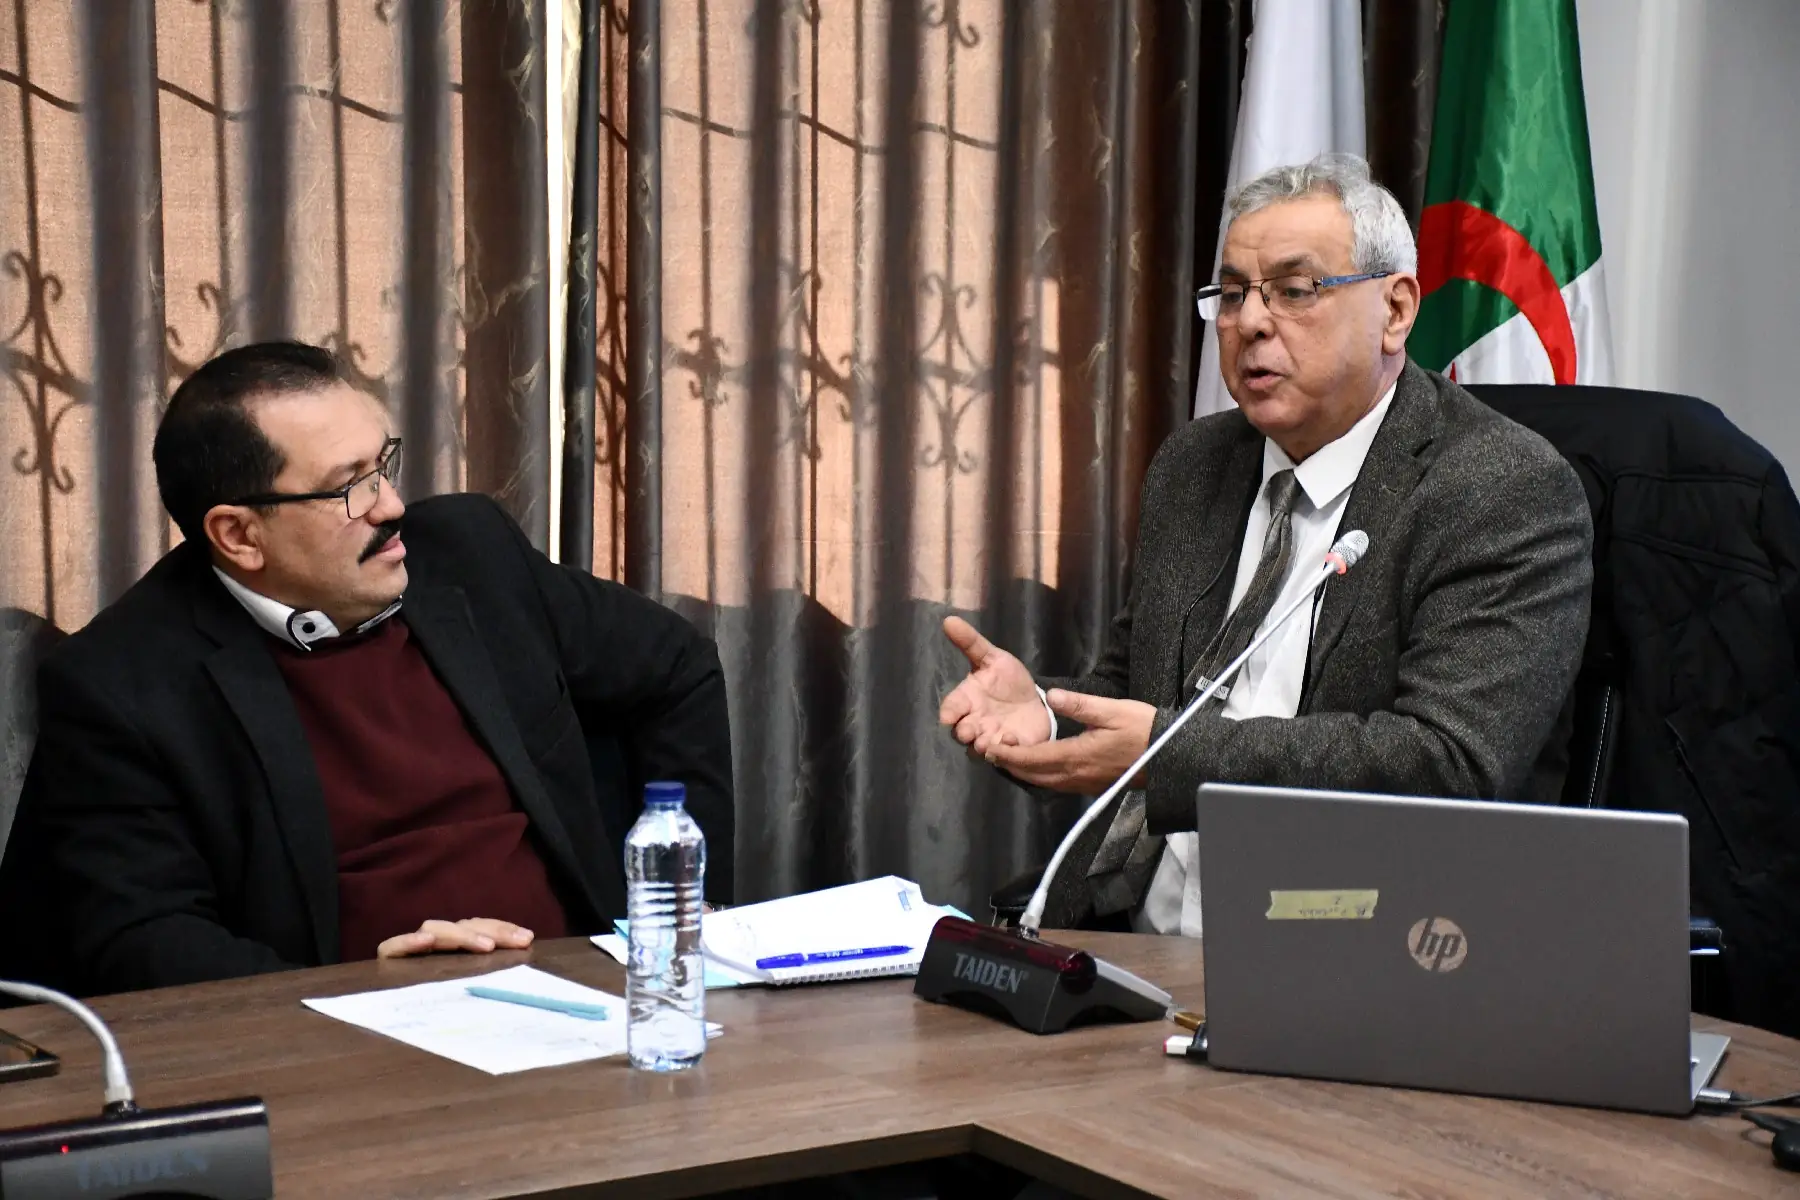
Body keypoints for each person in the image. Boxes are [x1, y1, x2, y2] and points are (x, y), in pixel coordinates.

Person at [939, 154, 1594, 933]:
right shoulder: (1195, 465)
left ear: (1395, 310)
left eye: (1294, 289)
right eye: (1232, 294)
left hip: (1345, 945)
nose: (1250, 321)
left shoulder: (1498, 488)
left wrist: (1171, 755)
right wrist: (1045, 716)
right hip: (1127, 936)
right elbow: (1138, 693)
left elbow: (1448, 765)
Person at [0, 342, 733, 995]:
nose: (391, 506)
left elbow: (678, 667)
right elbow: (144, 941)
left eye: (383, 464)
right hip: (351, 1047)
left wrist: (680, 914)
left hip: (598, 999)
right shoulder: (123, 684)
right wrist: (356, 995)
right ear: (240, 535)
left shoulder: (470, 556)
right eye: (349, 486)